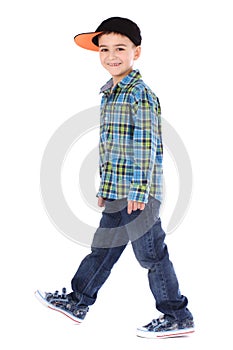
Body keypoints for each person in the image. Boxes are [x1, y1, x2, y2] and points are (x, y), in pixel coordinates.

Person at [35, 17, 195, 339]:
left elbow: (145, 147)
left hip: (140, 196)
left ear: (136, 51)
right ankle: (78, 300)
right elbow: (111, 147)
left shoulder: (139, 95)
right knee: (103, 249)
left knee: (150, 254)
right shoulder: (110, 93)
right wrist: (106, 188)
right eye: (104, 49)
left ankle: (177, 315)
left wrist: (138, 190)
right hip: (118, 193)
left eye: (120, 48)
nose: (111, 56)